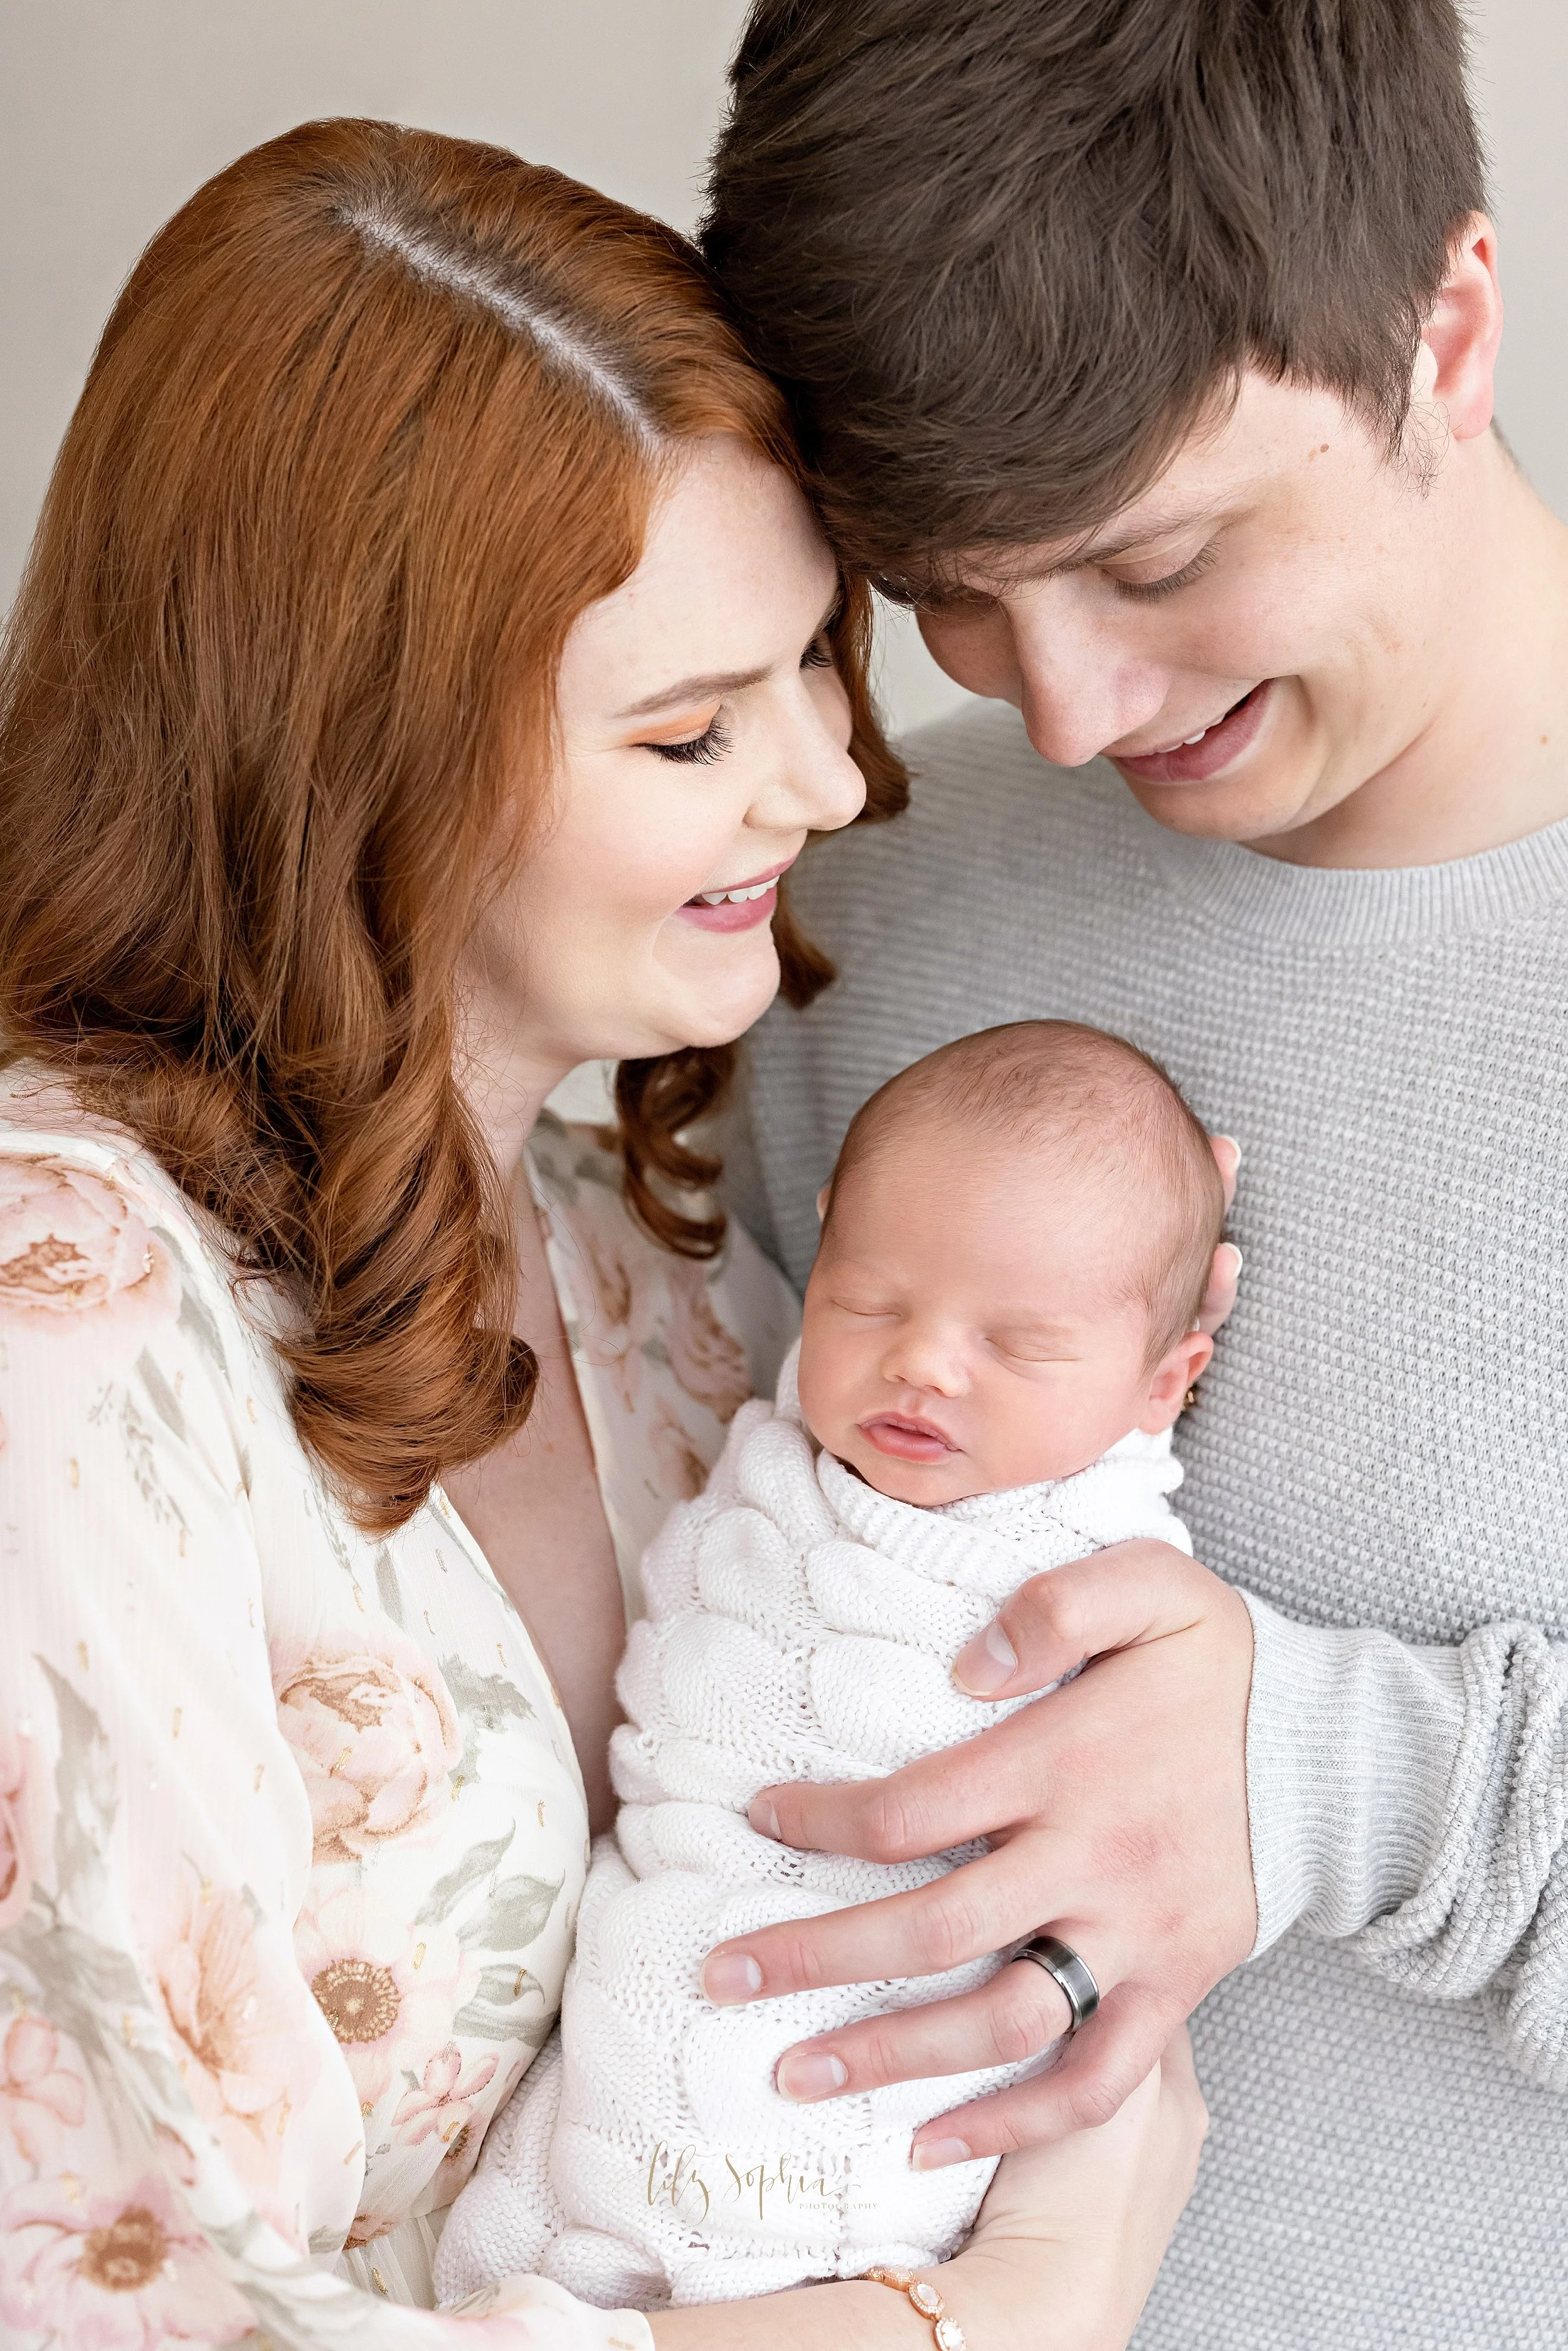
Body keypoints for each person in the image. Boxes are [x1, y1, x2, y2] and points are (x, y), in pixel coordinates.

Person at [0, 118, 1205, 2351]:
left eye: (811, 666)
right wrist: (977, 2317)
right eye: (689, 728)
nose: (832, 782)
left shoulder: (642, 1281)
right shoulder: (61, 1328)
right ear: (360, 767)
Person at [698, 1, 1568, 2343]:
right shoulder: (854, 889)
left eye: (1158, 558)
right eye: (953, 590)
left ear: (1448, 328)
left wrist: (1355, 1780)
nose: (1066, 707)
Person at [438, 1023, 1221, 2308]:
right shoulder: (796, 1424)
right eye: (868, 1298)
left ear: (1163, 1383)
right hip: (655, 1973)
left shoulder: (1091, 1551)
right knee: (547, 2223)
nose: (920, 1360)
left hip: (877, 2089)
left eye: (1017, 1345)